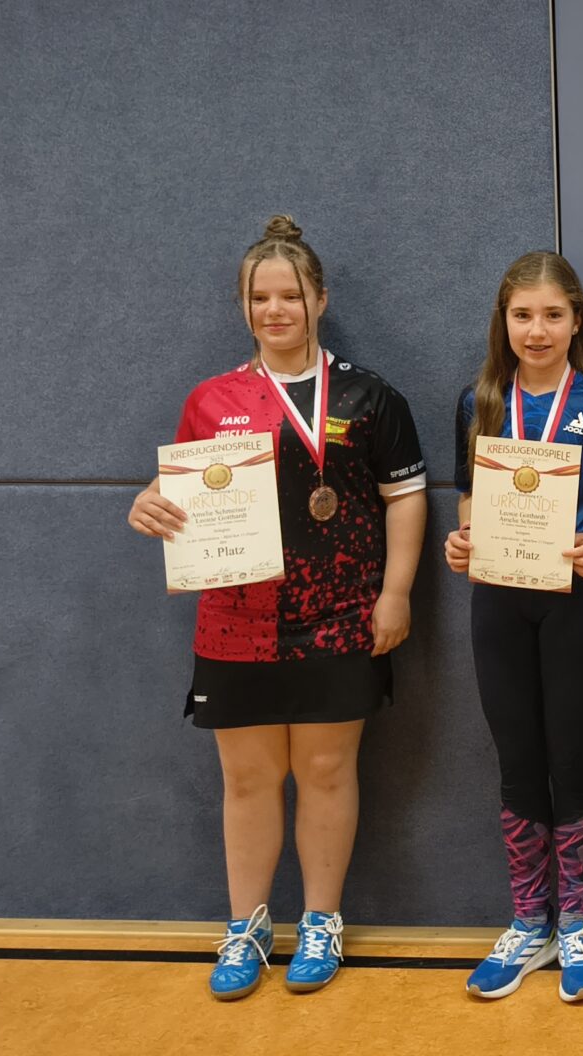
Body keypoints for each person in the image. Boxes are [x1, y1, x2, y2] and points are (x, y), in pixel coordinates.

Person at [128, 215, 427, 1000]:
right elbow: (185, 489)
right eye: (259, 298)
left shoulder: (370, 396)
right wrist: (149, 502)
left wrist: (395, 592)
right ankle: (248, 925)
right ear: (243, 307)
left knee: (326, 770)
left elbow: (405, 498)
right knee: (249, 779)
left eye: (289, 295)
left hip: (343, 615)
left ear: (319, 299)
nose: (274, 310)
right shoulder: (212, 399)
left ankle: (321, 921)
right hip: (238, 621)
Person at [443, 252, 583, 1002]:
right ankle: (529, 920)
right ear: (503, 322)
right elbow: (468, 494)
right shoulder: (478, 401)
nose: (537, 330)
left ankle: (577, 921)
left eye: (552, 315)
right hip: (499, 602)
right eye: (523, 315)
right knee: (517, 760)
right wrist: (463, 539)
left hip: (577, 600)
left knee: (573, 755)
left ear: (576, 320)